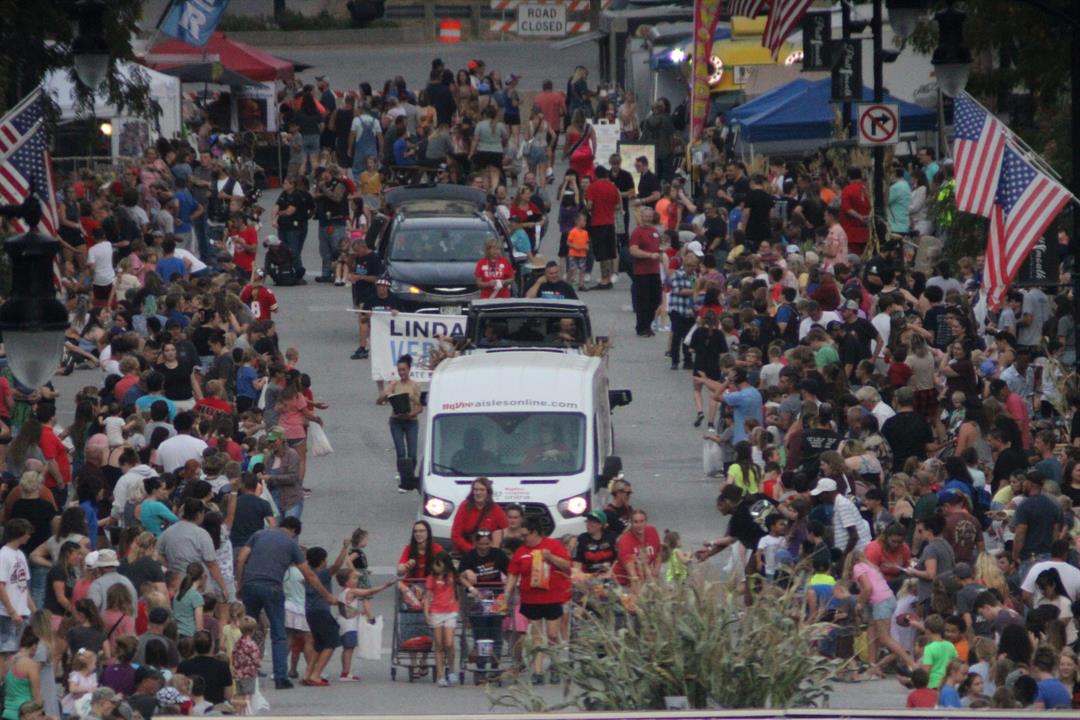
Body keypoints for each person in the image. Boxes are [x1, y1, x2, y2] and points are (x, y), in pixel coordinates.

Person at [235, 517, 336, 690]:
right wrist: (326, 595)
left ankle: (240, 671)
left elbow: (242, 558)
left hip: (250, 584)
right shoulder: (291, 545)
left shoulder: (259, 534)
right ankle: (280, 677)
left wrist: (240, 583)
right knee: (279, 633)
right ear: (294, 531)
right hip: (272, 587)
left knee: (245, 629)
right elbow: (309, 575)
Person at [505, 518, 571, 687]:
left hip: (552, 597)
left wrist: (550, 557)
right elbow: (513, 573)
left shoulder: (553, 545)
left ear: (535, 533)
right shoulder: (521, 551)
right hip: (531, 598)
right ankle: (538, 670)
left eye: (526, 535)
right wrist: (507, 591)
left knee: (552, 635)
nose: (523, 538)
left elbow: (567, 566)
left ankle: (555, 666)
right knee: (536, 636)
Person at [376, 355, 423, 492]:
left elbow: (420, 407)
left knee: (412, 453)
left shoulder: (415, 386)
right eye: (399, 370)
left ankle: (409, 477)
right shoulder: (394, 385)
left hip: (411, 421)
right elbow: (379, 401)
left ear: (409, 369)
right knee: (401, 451)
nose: (401, 373)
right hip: (396, 421)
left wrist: (411, 414)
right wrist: (386, 393)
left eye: (404, 370)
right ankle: (403, 480)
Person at [424, 551, 460, 687]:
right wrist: (426, 613)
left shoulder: (452, 575)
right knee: (439, 644)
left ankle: (451, 670)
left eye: (438, 565)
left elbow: (463, 580)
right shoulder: (431, 578)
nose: (435, 567)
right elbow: (427, 597)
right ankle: (440, 675)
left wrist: (471, 587)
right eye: (434, 565)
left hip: (451, 611)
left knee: (449, 643)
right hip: (436, 612)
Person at [628, 207, 663, 337]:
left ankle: (647, 324)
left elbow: (658, 247)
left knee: (655, 299)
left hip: (654, 270)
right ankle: (642, 327)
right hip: (642, 272)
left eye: (650, 216)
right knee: (644, 301)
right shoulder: (637, 232)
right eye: (646, 216)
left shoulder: (654, 231)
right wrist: (649, 255)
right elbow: (633, 250)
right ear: (642, 217)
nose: (648, 218)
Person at [450, 477, 508, 554]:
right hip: (468, 553)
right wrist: (472, 551)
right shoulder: (464, 507)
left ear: (488, 492)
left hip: (490, 554)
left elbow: (506, 532)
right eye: (475, 490)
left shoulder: (496, 510)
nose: (478, 493)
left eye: (482, 490)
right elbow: (455, 536)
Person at [613, 510, 661, 592]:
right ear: (631, 523)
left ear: (646, 522)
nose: (639, 525)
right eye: (636, 522)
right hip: (625, 581)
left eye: (642, 521)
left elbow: (658, 554)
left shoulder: (652, 531)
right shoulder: (625, 541)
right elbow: (633, 575)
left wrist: (655, 574)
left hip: (646, 576)